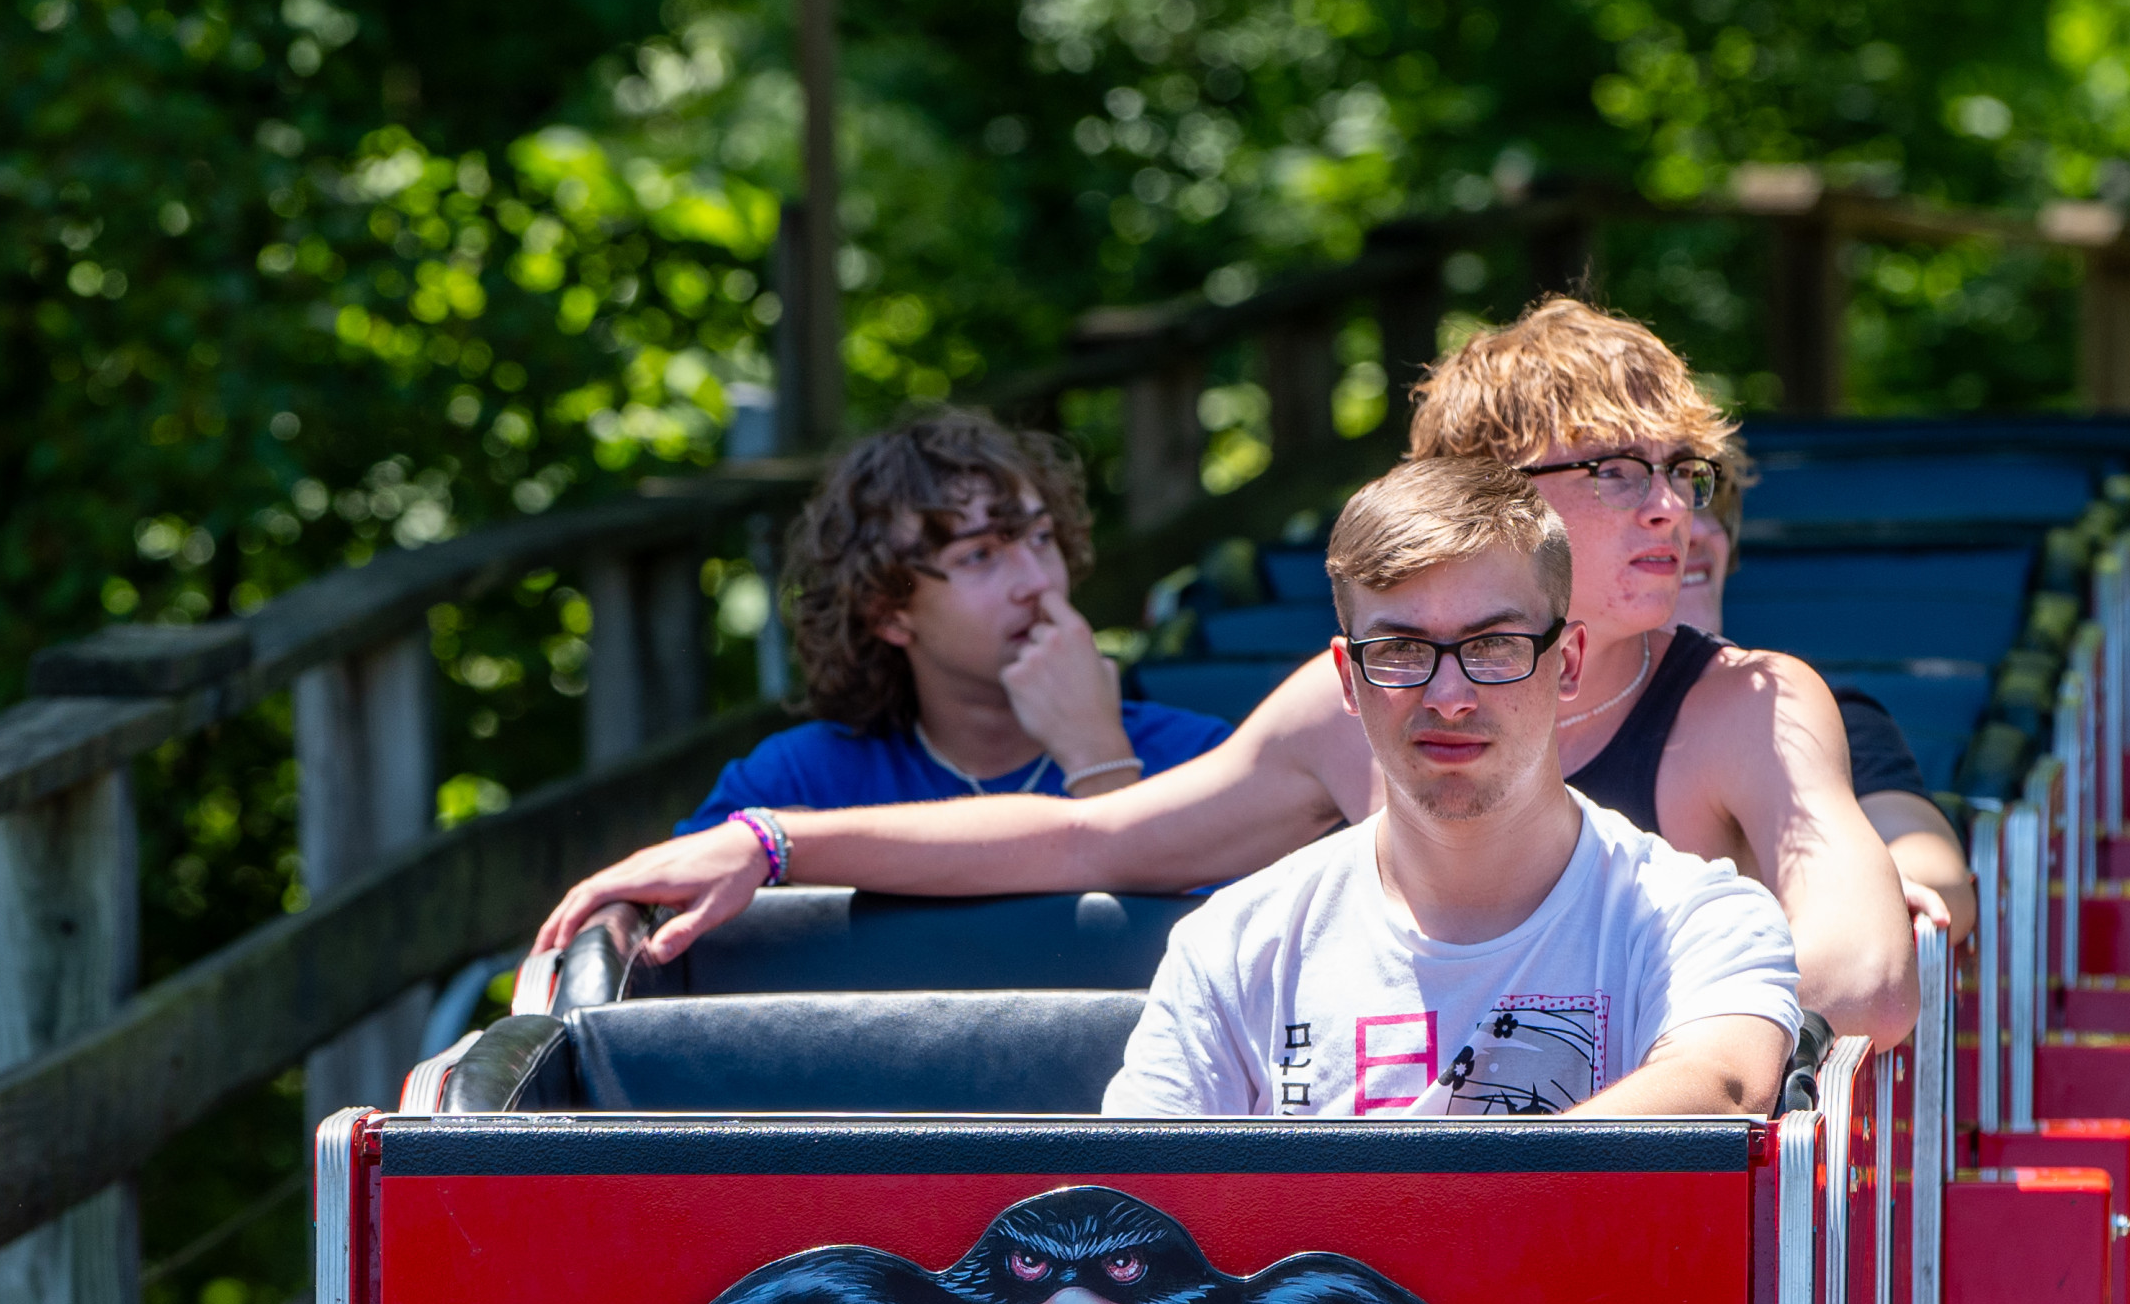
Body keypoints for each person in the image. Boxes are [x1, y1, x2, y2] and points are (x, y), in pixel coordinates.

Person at [535, 298, 1917, 1040]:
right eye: (1619, 473)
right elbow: (1095, 835)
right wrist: (772, 843)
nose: (1675, 509)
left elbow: (1863, 974)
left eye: (1683, 470)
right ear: (1492, 499)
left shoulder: (1744, 701)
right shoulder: (1351, 703)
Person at [1104, 460, 1797, 1121]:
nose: (1450, 696)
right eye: (1401, 651)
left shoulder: (1696, 919)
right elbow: (1134, 1201)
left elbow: (1724, 1084)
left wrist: (1434, 1209)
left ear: (1568, 663)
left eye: (1494, 645)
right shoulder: (1234, 946)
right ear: (1349, 677)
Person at [675, 406, 1230, 831]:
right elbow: (639, 928)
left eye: (1041, 538)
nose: (1036, 581)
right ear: (888, 612)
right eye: (979, 555)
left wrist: (1099, 762)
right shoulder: (800, 783)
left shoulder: (1203, 761)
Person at [1677, 462, 1981, 941]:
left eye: (1702, 499)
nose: (1692, 528)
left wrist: (1853, 894)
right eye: (1624, 488)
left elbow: (1936, 881)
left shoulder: (1824, 719)